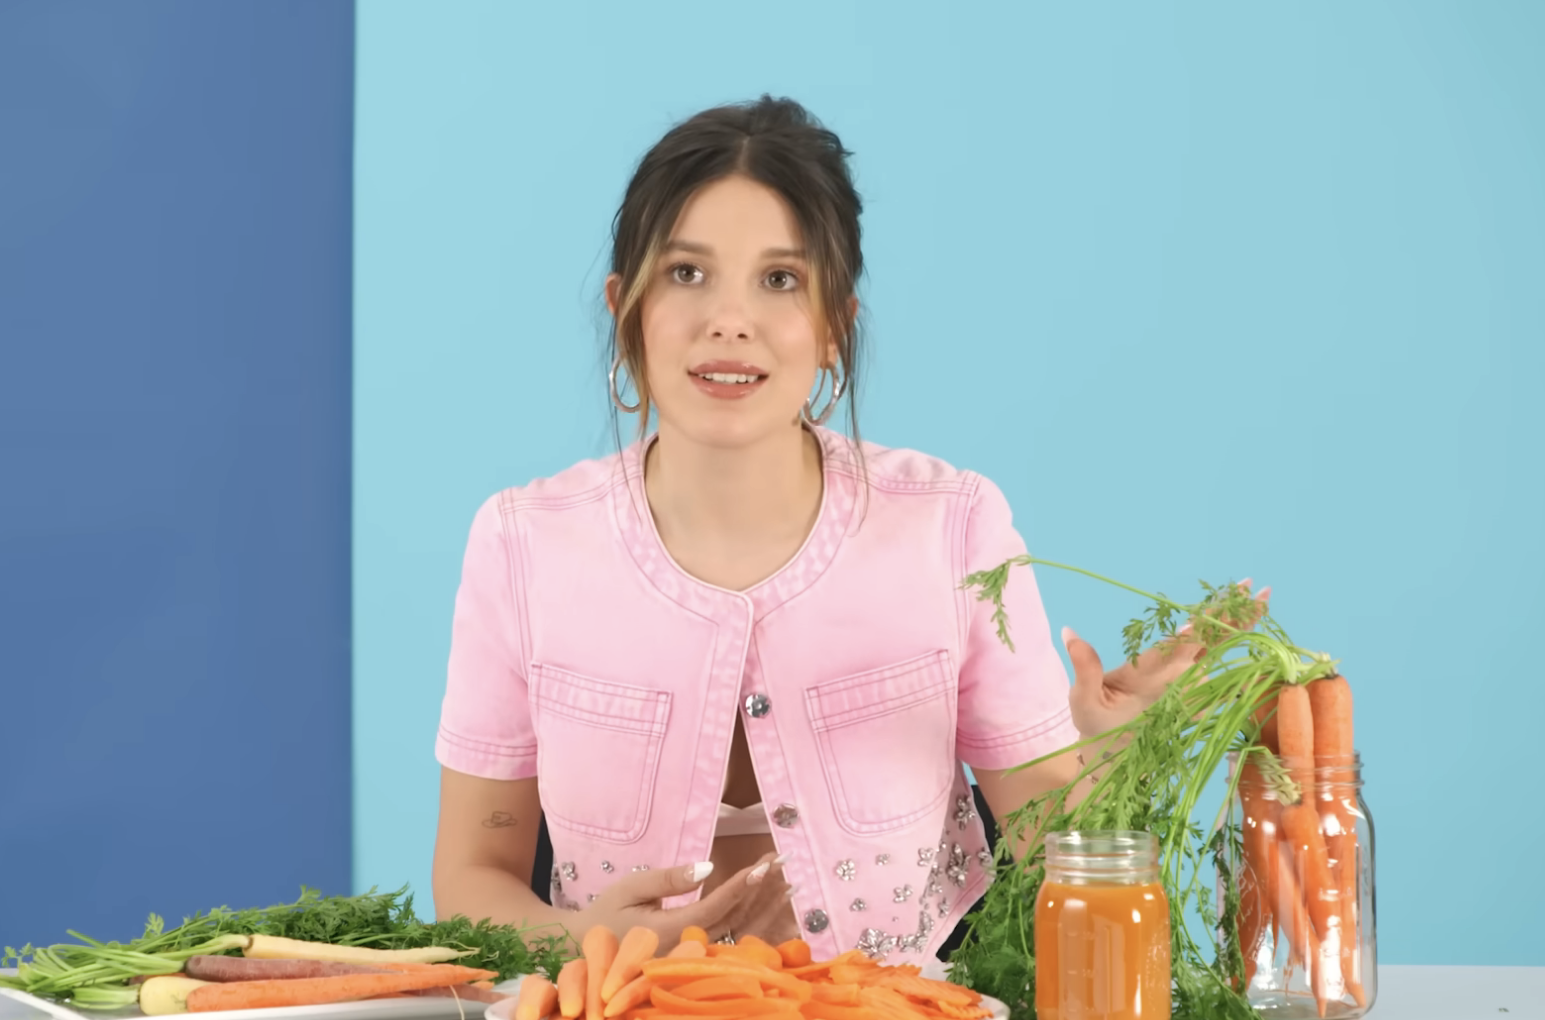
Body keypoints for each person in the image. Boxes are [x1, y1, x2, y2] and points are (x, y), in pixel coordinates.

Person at [430, 95, 1267, 961]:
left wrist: (1107, 754)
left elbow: (1048, 852)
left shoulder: (952, 527)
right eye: (686, 273)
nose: (729, 318)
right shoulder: (522, 545)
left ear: (834, 326)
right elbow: (473, 876)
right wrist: (585, 937)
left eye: (780, 279)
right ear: (623, 308)